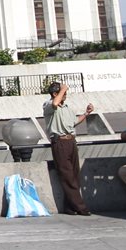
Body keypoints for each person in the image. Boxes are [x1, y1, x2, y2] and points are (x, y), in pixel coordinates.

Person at [43, 81, 93, 215]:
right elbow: (54, 103)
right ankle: (81, 207)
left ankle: (69, 206)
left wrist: (86, 113)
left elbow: (74, 122)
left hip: (71, 141)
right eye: (63, 93)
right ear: (55, 93)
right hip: (60, 142)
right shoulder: (49, 105)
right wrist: (62, 89)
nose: (65, 95)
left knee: (75, 175)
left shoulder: (66, 107)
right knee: (67, 175)